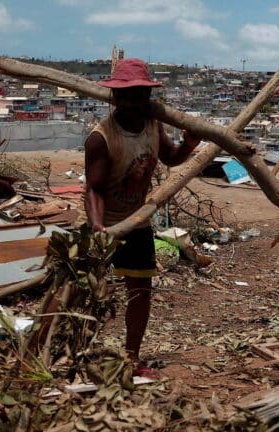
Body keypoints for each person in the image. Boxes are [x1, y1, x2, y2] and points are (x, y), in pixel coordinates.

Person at [84, 58, 201, 374]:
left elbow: (171, 159)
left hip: (137, 222)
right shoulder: (101, 138)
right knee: (89, 293)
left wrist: (189, 143)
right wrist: (98, 228)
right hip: (106, 223)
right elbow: (93, 189)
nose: (136, 103)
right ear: (117, 99)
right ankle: (79, 354)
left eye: (141, 95)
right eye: (129, 96)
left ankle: (131, 358)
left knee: (140, 292)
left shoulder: (153, 125)